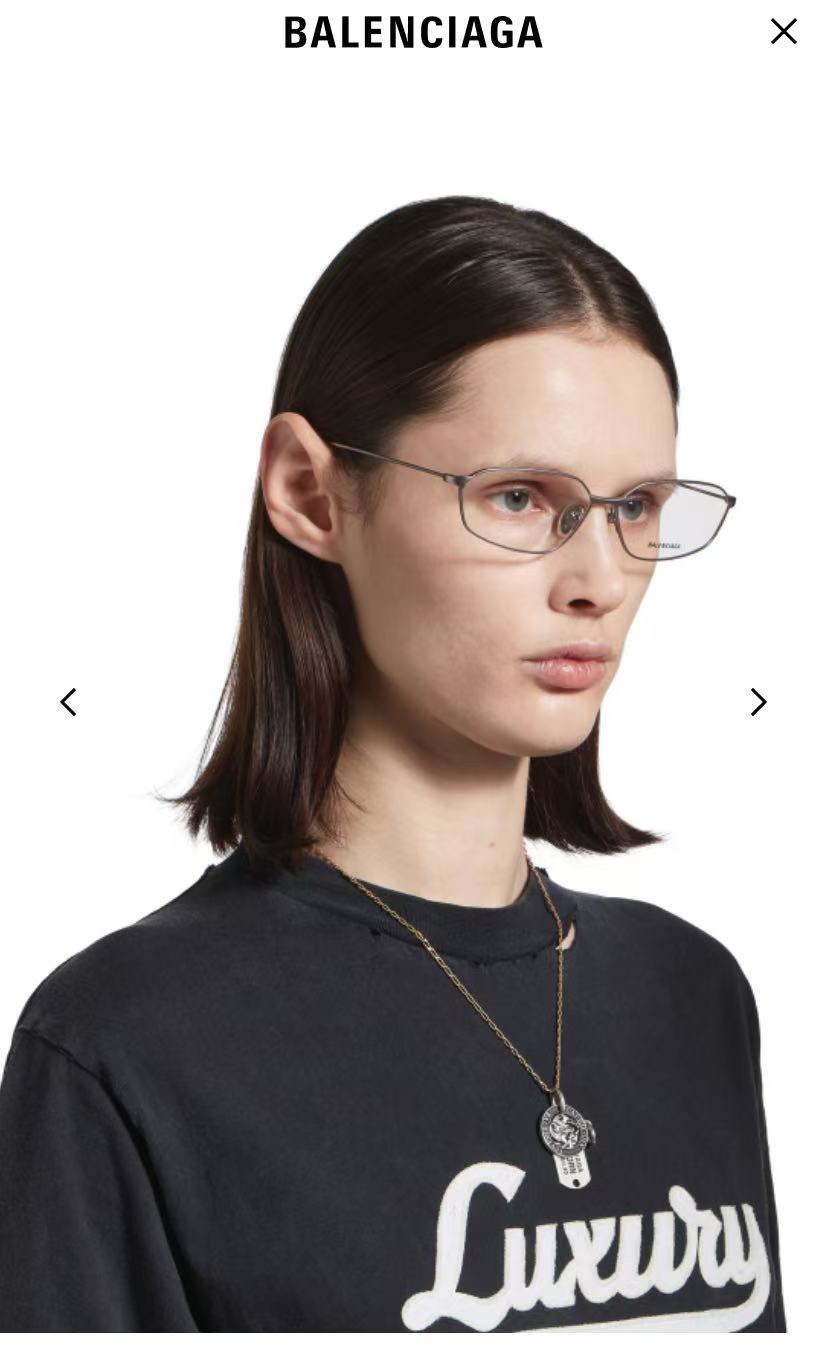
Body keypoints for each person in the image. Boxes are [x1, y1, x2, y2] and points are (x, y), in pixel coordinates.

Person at [0, 196, 784, 1332]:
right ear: (310, 493)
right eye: (520, 497)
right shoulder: (124, 1045)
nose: (600, 580)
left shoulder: (695, 996)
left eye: (636, 507)